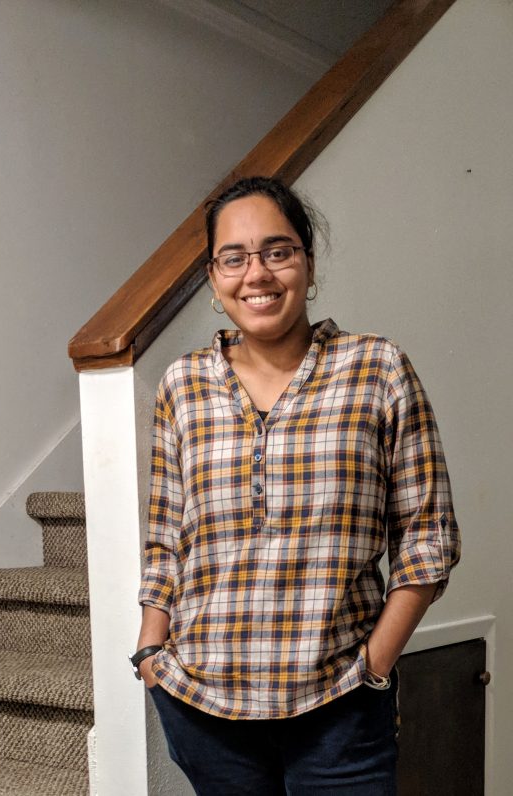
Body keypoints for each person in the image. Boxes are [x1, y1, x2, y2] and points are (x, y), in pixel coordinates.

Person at [132, 176, 460, 795]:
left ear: (308, 263)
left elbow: (427, 537)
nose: (256, 273)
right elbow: (165, 538)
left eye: (277, 251)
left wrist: (375, 664)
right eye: (235, 257)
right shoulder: (184, 384)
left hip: (339, 704)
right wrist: (151, 652)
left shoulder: (377, 369)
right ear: (213, 276)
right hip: (205, 706)